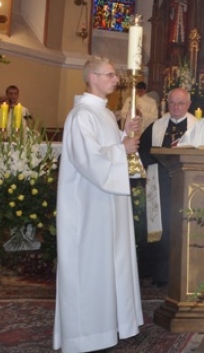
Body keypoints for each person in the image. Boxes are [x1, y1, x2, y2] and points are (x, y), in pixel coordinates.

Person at [54, 57, 143, 353]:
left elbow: (108, 149)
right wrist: (121, 148)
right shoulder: (81, 115)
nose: (116, 80)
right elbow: (88, 160)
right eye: (110, 75)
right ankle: (86, 335)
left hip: (106, 203)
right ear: (92, 77)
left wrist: (125, 133)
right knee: (90, 265)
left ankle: (110, 326)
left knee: (108, 263)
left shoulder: (103, 114)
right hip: (88, 205)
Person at [136, 87, 198, 286]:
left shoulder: (198, 126)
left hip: (187, 184)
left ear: (188, 105)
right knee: (159, 227)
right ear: (167, 103)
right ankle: (158, 273)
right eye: (172, 103)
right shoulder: (156, 126)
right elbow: (143, 152)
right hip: (160, 184)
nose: (176, 107)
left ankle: (185, 272)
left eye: (181, 103)